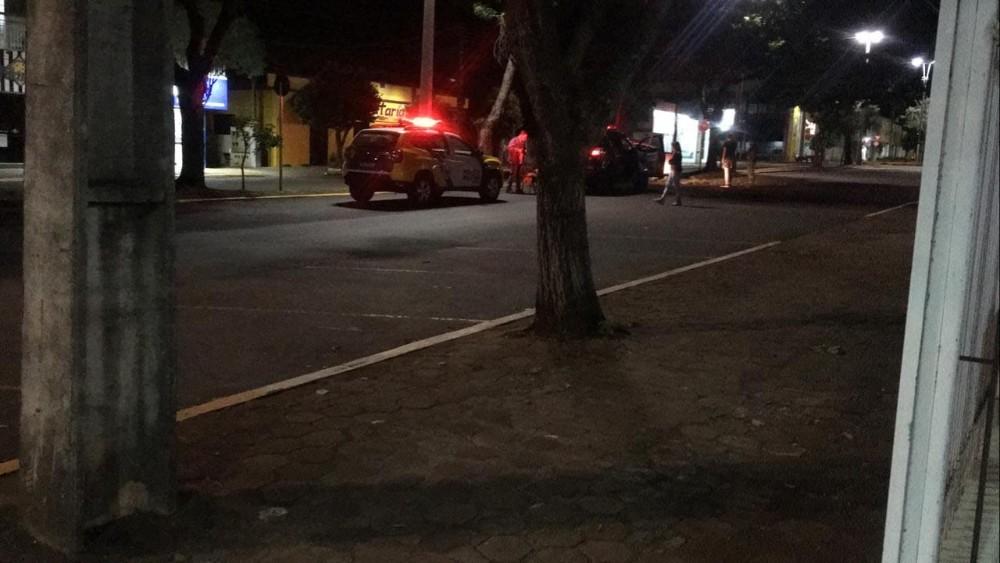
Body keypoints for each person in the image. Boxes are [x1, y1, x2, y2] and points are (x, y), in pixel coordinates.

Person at [654, 141, 683, 206]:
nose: (672, 148)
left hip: (675, 171)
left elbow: (673, 161)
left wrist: (670, 161)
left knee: (676, 186)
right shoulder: (677, 153)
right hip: (673, 170)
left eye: (672, 146)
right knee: (668, 184)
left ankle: (678, 200)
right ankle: (662, 198)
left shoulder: (677, 153)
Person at [505, 129, 528, 194]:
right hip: (513, 159)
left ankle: (518, 188)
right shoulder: (514, 140)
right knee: (512, 173)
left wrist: (524, 151)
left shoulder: (522, 142)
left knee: (518, 174)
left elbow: (522, 150)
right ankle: (508, 188)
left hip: (519, 159)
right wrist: (519, 150)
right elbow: (510, 148)